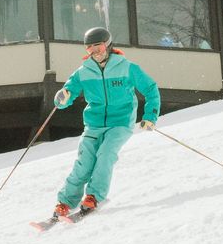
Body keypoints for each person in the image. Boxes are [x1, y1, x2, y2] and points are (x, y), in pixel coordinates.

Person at [49, 27, 160, 220]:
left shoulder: (126, 67)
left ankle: (93, 196)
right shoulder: (83, 72)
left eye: (98, 46)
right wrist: (62, 97)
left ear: (107, 45)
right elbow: (67, 95)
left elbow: (150, 88)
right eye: (89, 48)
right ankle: (65, 202)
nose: (94, 52)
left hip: (121, 122)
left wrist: (150, 116)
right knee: (84, 163)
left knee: (106, 154)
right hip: (94, 124)